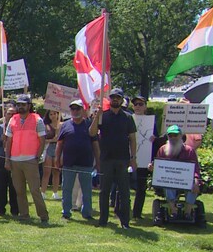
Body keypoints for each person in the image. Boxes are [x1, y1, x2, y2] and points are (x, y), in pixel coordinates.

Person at [89, 88, 137, 229]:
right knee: (104, 191)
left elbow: (133, 139)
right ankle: (103, 220)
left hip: (123, 159)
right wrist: (96, 117)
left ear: (122, 100)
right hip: (106, 159)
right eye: (113, 97)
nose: (115, 99)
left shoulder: (128, 117)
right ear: (109, 99)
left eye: (118, 97)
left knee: (124, 191)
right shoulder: (103, 116)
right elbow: (91, 133)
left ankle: (125, 222)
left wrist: (133, 157)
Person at [4, 95, 50, 225]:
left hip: (30, 160)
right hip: (15, 160)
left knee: (35, 190)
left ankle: (43, 215)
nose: (20, 107)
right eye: (18, 104)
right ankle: (24, 214)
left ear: (29, 106)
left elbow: (42, 141)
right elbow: (8, 141)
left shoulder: (37, 120)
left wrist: (37, 156)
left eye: (23, 104)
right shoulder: (13, 119)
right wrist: (7, 160)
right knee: (19, 190)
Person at [56, 99, 100, 220]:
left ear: (83, 110)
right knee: (66, 189)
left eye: (78, 109)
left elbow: (95, 144)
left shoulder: (89, 125)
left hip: (85, 163)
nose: (75, 111)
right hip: (68, 163)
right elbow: (60, 144)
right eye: (73, 109)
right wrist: (57, 159)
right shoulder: (65, 125)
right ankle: (66, 212)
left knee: (86, 190)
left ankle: (87, 212)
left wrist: (98, 161)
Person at [149, 125, 201, 219]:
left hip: (185, 181)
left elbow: (195, 169)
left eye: (175, 135)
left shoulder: (189, 151)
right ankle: (173, 210)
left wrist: (196, 181)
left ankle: (188, 211)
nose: (173, 137)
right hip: (169, 181)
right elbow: (158, 167)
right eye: (170, 135)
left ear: (180, 136)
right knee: (169, 183)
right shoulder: (162, 150)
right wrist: (153, 168)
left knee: (193, 184)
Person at [130, 95, 158, 219]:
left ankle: (137, 213)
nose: (138, 107)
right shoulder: (128, 119)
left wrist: (154, 139)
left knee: (141, 188)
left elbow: (156, 141)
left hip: (144, 159)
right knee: (123, 186)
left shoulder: (151, 123)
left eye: (140, 104)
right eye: (135, 104)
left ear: (145, 106)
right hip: (128, 158)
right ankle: (120, 210)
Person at [0, 106, 19, 216]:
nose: (11, 116)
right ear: (5, 114)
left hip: (14, 159)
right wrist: (1, 139)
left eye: (13, 114)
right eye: (9, 114)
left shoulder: (19, 127)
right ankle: (0, 208)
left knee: (14, 185)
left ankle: (15, 209)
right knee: (0, 185)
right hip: (0, 159)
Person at [41, 110, 61, 200]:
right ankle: (43, 192)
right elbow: (43, 140)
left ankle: (55, 192)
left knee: (56, 171)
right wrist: (53, 140)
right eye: (51, 114)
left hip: (58, 150)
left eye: (54, 114)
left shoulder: (61, 125)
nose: (53, 116)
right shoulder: (46, 126)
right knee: (47, 172)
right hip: (48, 149)